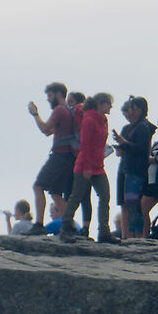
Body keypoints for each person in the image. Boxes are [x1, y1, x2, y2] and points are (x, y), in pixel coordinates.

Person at [27, 82, 79, 233]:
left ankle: (38, 225)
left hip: (59, 156)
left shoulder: (59, 110)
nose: (48, 99)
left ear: (58, 94)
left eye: (50, 96)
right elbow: (51, 131)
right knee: (56, 193)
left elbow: (45, 129)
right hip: (69, 158)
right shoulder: (69, 111)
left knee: (38, 186)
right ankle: (70, 226)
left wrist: (35, 114)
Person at [62, 92, 112, 241]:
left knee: (105, 195)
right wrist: (87, 167)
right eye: (109, 103)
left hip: (98, 165)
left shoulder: (103, 119)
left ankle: (104, 231)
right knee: (77, 196)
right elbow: (85, 144)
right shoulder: (89, 119)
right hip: (85, 165)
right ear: (101, 104)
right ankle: (65, 226)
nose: (111, 106)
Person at [112, 97, 154, 242]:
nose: (131, 112)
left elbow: (142, 149)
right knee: (128, 203)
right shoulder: (131, 127)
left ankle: (137, 236)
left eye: (133, 109)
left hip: (136, 169)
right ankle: (129, 235)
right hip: (127, 168)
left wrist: (125, 143)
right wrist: (121, 145)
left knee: (134, 204)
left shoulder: (143, 126)